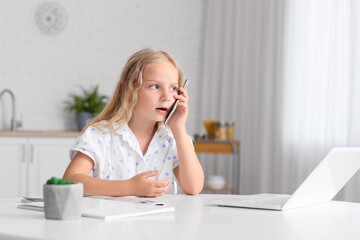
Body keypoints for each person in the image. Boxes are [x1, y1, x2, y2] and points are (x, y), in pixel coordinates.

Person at [63, 48, 204, 197]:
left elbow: (193, 187)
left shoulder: (173, 138)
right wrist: (129, 187)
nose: (166, 97)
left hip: (159, 220)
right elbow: (71, 180)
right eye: (155, 86)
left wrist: (179, 128)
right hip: (110, 219)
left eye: (173, 88)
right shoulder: (101, 135)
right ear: (131, 91)